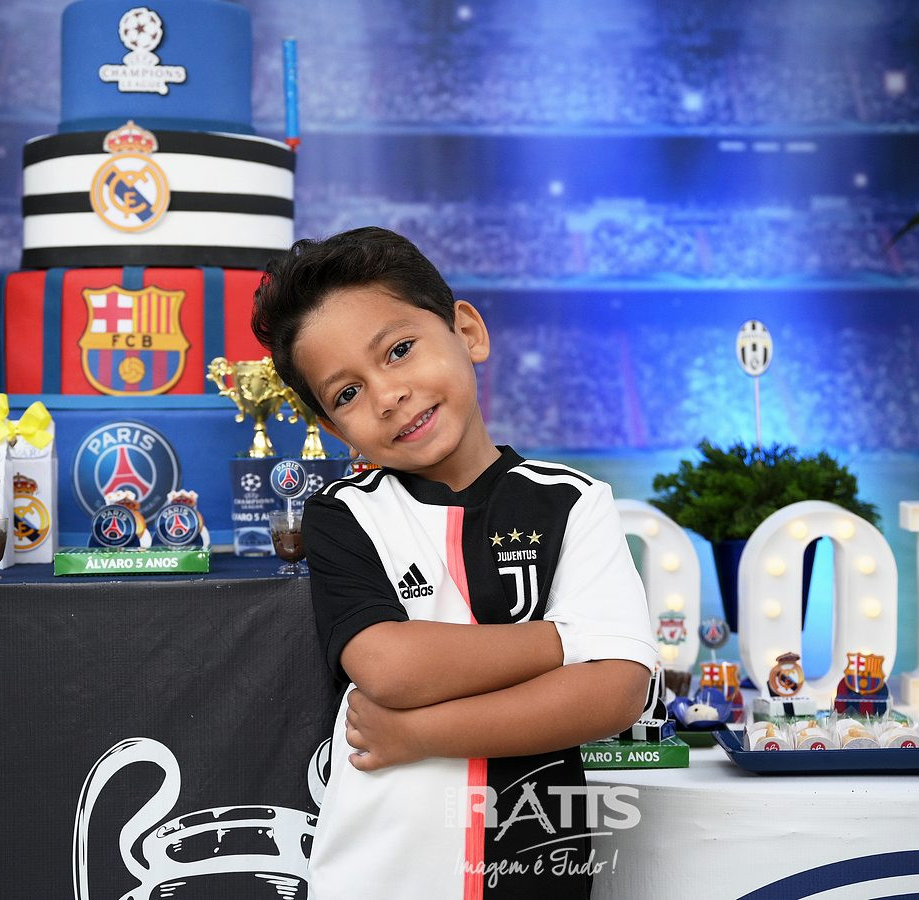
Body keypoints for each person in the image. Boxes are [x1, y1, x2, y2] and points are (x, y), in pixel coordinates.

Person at [251, 226, 659, 898]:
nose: (387, 395)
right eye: (347, 394)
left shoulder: (574, 503)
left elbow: (614, 692)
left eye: (399, 350)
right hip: (382, 877)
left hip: (531, 870)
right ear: (333, 428)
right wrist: (563, 640)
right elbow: (390, 667)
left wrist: (417, 733)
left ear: (466, 331)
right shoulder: (345, 515)